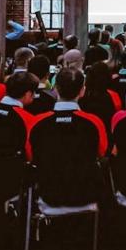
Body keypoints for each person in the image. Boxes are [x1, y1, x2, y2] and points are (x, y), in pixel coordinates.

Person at [28, 68, 109, 207]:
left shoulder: (37, 121)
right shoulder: (94, 122)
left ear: (55, 89)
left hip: (48, 194)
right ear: (82, 91)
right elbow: (102, 153)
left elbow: (31, 156)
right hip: (85, 195)